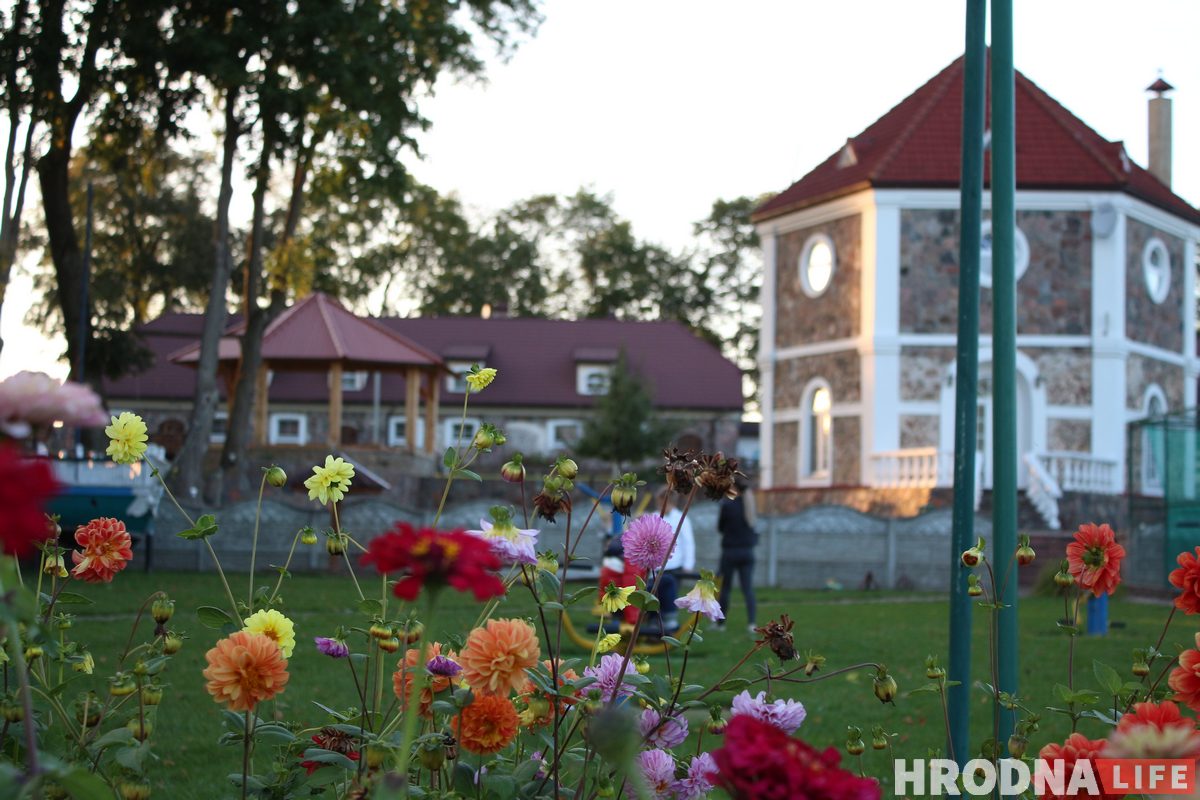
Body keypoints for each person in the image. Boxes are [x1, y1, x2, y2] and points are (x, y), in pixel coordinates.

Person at [716, 476, 758, 633]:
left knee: (725, 589)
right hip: (747, 552)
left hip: (730, 552)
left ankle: (720, 624)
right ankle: (751, 623)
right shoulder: (750, 505)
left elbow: (720, 528)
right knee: (748, 589)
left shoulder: (727, 505)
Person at [656, 487, 695, 632]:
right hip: (657, 566)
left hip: (674, 566)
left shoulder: (681, 518)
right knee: (655, 596)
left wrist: (688, 564)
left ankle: (669, 621)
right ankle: (654, 623)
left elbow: (688, 542)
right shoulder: (655, 516)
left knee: (669, 596)